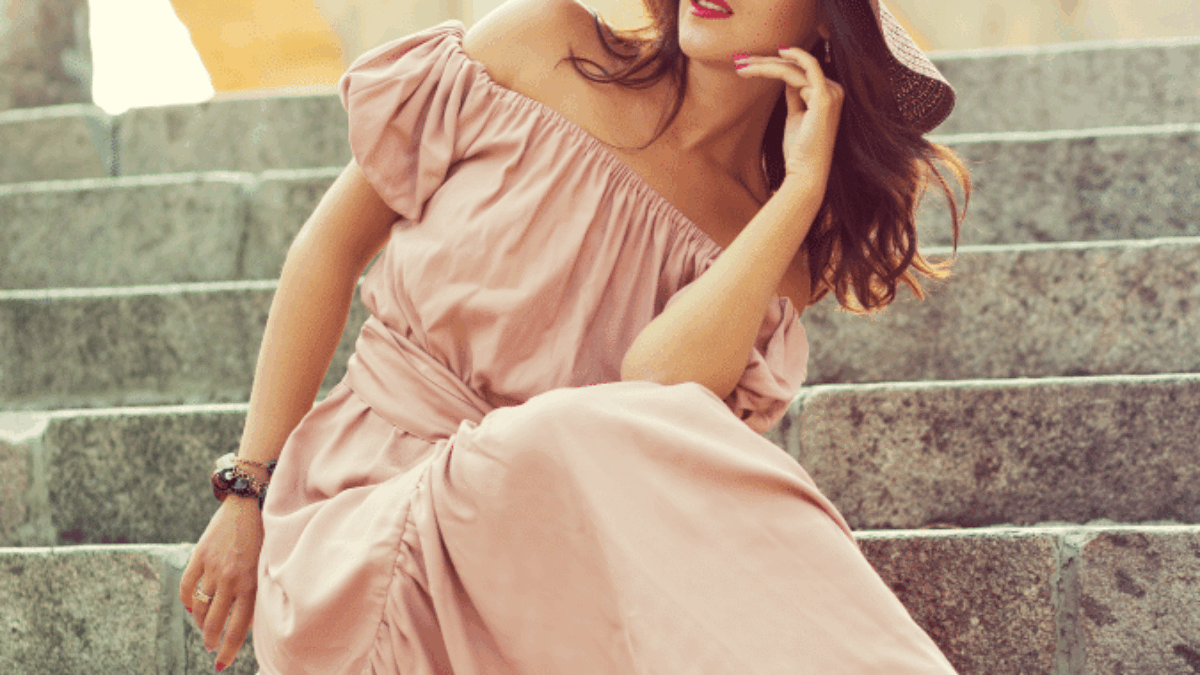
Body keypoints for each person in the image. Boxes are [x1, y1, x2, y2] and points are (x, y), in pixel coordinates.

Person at [180, 0, 971, 671]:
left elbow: (656, 396)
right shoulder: (540, 42)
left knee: (599, 433)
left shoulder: (767, 248)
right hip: (363, 531)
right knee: (565, 431)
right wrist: (248, 488)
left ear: (830, 19)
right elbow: (329, 248)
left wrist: (797, 196)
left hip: (538, 572)